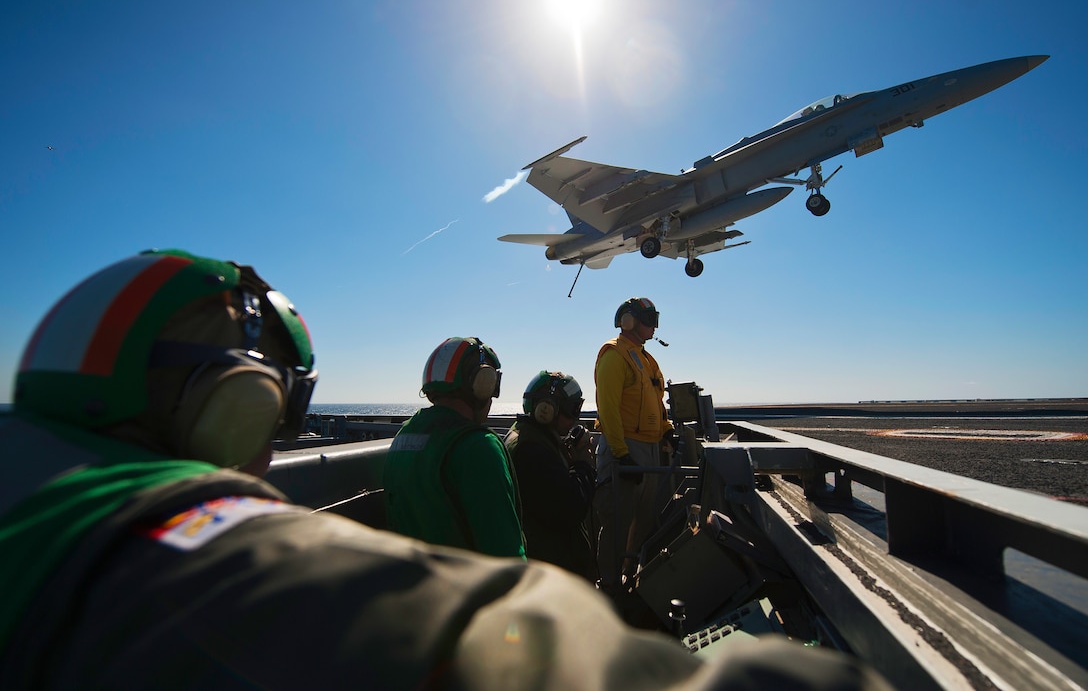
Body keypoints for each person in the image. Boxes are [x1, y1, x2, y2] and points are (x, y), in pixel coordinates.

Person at [0, 250, 892, 690]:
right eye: (272, 411)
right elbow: (497, 589)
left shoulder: (409, 440)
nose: (272, 445)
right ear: (221, 407)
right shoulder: (173, 558)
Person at [383, 336, 525, 559]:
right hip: (469, 590)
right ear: (483, 384)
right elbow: (506, 557)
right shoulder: (479, 447)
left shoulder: (404, 436)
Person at [593, 297, 678, 600]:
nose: (654, 325)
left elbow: (658, 402)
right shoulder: (615, 355)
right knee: (617, 522)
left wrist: (667, 432)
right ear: (628, 321)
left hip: (649, 450)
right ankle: (610, 585)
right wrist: (619, 452)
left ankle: (630, 578)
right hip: (625, 450)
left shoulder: (646, 359)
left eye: (655, 319)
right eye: (648, 319)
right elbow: (608, 408)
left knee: (644, 520)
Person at [504, 371, 596, 580]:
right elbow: (571, 508)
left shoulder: (524, 435)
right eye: (573, 410)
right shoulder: (533, 451)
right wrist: (583, 464)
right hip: (548, 568)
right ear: (548, 410)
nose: (575, 419)